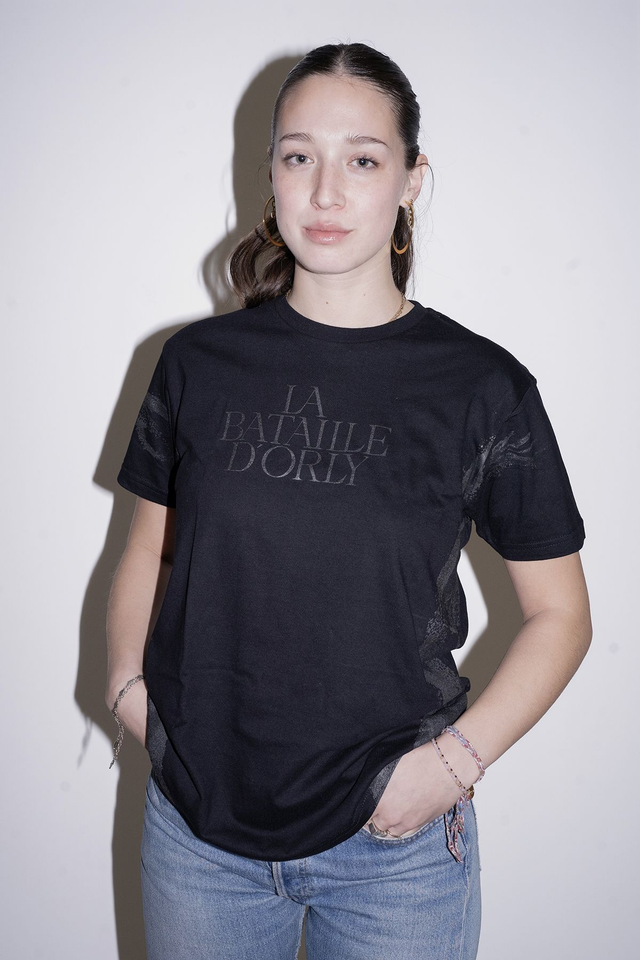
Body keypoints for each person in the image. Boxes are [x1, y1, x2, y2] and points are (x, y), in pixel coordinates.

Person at [105, 41, 592, 960]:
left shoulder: (480, 387)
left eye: (363, 160)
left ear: (411, 180)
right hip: (198, 835)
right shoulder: (195, 365)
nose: (326, 192)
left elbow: (561, 614)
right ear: (271, 174)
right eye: (300, 157)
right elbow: (145, 550)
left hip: (394, 853)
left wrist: (451, 766)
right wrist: (128, 687)